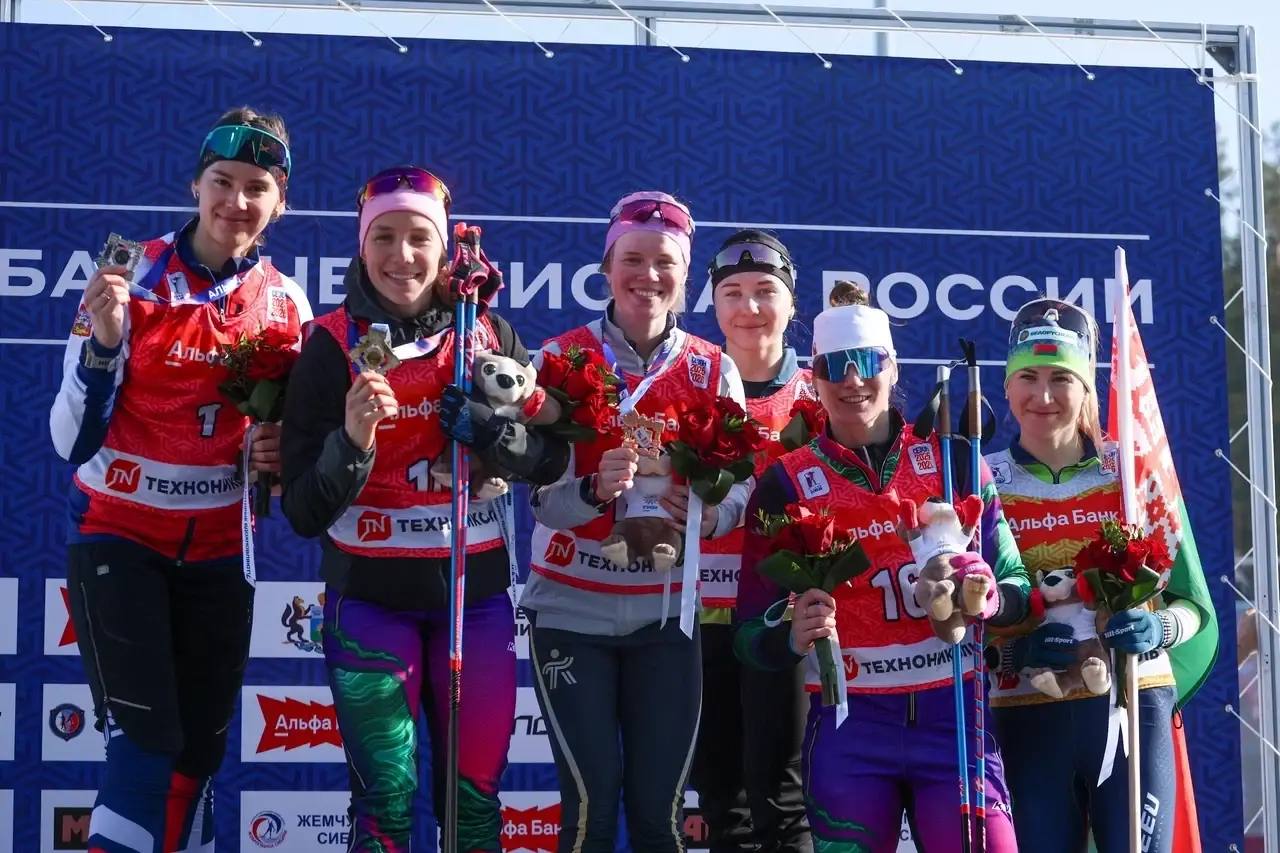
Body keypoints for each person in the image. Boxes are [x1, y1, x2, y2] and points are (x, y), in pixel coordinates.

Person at [280, 165, 570, 853]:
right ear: (361, 246)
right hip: (370, 602)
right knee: (384, 801)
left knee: (473, 803)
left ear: (445, 248)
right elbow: (301, 510)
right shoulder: (330, 344)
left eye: (419, 237)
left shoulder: (485, 333)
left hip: (477, 603)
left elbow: (554, 459)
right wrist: (352, 441)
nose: (401, 255)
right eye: (383, 237)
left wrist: (495, 434)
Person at [49, 106, 309, 853]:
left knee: (197, 754)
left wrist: (281, 450)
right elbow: (70, 440)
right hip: (120, 535)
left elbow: (292, 456)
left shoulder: (287, 304)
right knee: (144, 743)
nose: (237, 201)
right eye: (222, 181)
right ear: (196, 184)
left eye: (257, 187)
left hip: (222, 549)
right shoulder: (129, 278)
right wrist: (104, 343)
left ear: (281, 203)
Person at [735, 289, 1029, 853]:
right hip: (851, 725)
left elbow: (1017, 587)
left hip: (953, 718)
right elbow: (750, 633)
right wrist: (791, 633)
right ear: (813, 377)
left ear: (893, 368)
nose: (852, 381)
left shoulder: (953, 461)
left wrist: (986, 594)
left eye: (868, 362)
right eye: (834, 367)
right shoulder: (786, 482)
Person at [521, 191, 749, 852]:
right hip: (571, 611)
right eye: (632, 259)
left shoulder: (713, 368)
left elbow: (740, 485)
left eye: (665, 262)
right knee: (590, 805)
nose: (648, 275)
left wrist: (708, 511)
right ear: (606, 266)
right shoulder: (559, 360)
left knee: (659, 815)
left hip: (666, 618)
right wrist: (594, 491)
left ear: (686, 276)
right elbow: (540, 499)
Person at [984, 298, 1217, 853]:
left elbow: (1192, 605)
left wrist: (1158, 630)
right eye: (1028, 378)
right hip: (1026, 712)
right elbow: (964, 618)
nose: (1043, 396)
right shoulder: (983, 480)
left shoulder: (1133, 475)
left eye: (1062, 379)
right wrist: (1012, 654)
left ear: (1088, 386)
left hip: (1134, 704)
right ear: (1008, 386)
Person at [693, 230, 813, 852]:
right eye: (733, 293)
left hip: (783, 620)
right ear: (713, 304)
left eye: (766, 291)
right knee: (722, 800)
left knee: (785, 795)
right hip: (699, 617)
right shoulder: (690, 385)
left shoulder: (820, 393)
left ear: (792, 303)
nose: (750, 308)